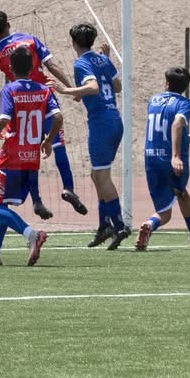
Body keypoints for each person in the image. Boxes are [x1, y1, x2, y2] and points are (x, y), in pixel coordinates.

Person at [0, 9, 86, 218]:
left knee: (29, 154)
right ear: (9, 23)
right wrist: (71, 90)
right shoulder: (31, 41)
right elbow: (52, 65)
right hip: (44, 97)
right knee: (58, 146)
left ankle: (37, 200)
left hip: (20, 106)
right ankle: (68, 188)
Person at [0, 47, 56, 267]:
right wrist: (48, 140)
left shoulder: (9, 89)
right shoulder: (44, 90)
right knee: (3, 204)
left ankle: (32, 235)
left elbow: (5, 117)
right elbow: (58, 117)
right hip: (31, 157)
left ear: (10, 68)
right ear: (32, 67)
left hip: (11, 157)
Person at [60, 22, 128, 247]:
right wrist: (107, 60)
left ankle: (118, 225)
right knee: (96, 175)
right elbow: (117, 87)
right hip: (115, 120)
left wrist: (66, 90)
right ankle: (104, 225)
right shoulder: (103, 59)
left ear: (74, 43)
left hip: (101, 123)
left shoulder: (81, 63)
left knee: (102, 177)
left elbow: (93, 87)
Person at [133, 66, 190, 251]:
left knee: (167, 207)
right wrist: (175, 156)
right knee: (179, 197)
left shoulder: (153, 101)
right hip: (169, 158)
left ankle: (152, 224)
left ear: (166, 83)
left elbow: (162, 128)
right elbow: (176, 124)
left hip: (151, 157)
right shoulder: (185, 103)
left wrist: (186, 139)